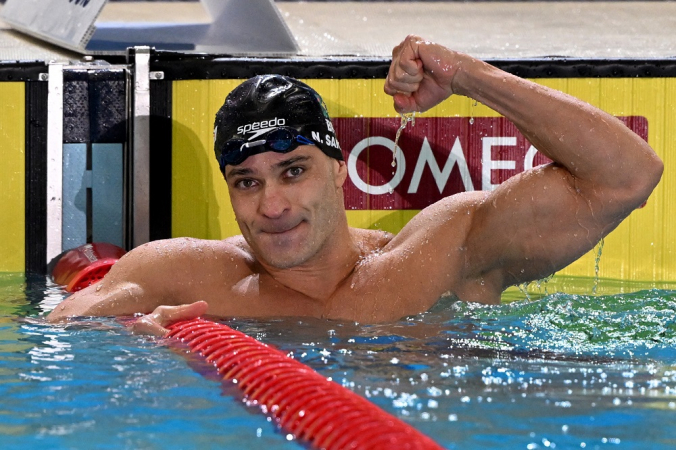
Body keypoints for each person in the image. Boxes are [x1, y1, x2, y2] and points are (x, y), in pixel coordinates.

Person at [47, 35, 663, 335]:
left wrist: (469, 76)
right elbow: (57, 335)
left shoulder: (434, 257)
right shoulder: (181, 275)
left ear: (340, 168)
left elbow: (629, 176)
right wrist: (133, 347)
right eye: (246, 181)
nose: (273, 205)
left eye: (293, 170)